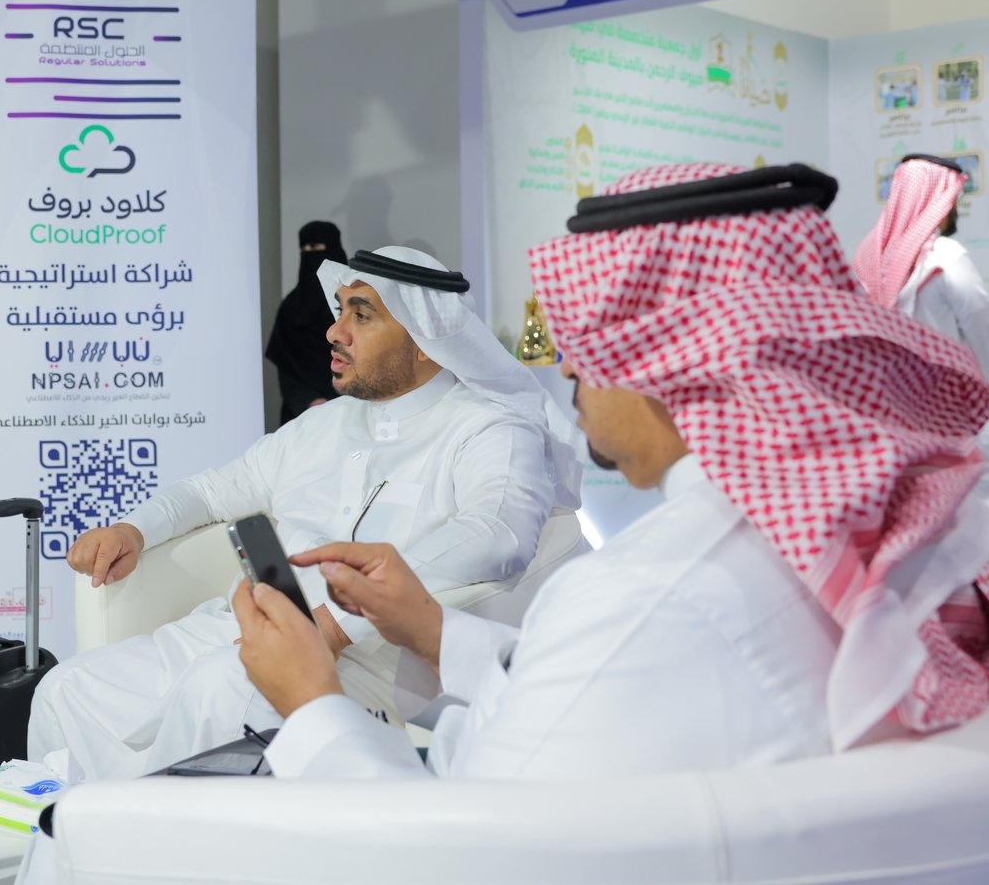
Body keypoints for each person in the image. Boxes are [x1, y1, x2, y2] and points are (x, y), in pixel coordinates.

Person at [231, 163, 989, 780]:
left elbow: (455, 850)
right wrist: (435, 632)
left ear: (677, 356)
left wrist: (310, 702)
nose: (565, 363)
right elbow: (586, 702)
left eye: (592, 335)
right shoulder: (886, 544)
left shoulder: (636, 596)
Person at [27, 245, 581, 779]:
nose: (334, 331)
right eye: (340, 311)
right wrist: (133, 529)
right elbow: (214, 492)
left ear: (425, 340)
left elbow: (496, 534)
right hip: (252, 624)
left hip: (377, 658)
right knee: (66, 690)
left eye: (360, 316)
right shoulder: (321, 425)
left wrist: (337, 624)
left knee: (221, 687)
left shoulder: (489, 427)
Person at [852, 153, 989, 378]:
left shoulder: (869, 255)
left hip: (890, 394)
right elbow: (980, 325)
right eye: (953, 198)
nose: (954, 208)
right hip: (946, 397)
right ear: (938, 199)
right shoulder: (944, 255)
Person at [265, 221, 347, 424]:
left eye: (317, 248)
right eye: (305, 249)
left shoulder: (356, 304)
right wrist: (311, 402)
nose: (310, 254)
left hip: (353, 409)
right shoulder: (292, 307)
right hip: (303, 417)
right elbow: (286, 368)